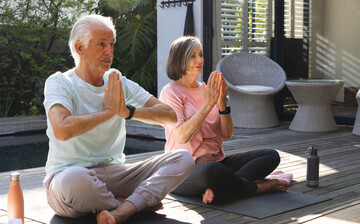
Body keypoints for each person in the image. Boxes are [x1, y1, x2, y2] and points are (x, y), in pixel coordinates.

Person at [42, 14, 194, 224]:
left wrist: (128, 112)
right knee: (75, 179)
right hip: (68, 178)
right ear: (79, 48)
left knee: (183, 159)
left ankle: (121, 209)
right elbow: (62, 129)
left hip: (115, 174)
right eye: (101, 44)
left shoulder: (117, 80)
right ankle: (132, 204)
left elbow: (169, 115)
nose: (109, 52)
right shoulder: (60, 82)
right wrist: (108, 112)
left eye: (112, 44)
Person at [159, 36, 288, 205]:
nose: (200, 60)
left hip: (218, 163)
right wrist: (208, 104)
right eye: (193, 56)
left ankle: (218, 189)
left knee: (270, 155)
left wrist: (221, 103)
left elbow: (227, 134)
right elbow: (182, 137)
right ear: (179, 60)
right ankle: (259, 188)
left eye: (201, 54)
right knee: (213, 171)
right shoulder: (171, 92)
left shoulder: (207, 89)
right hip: (184, 169)